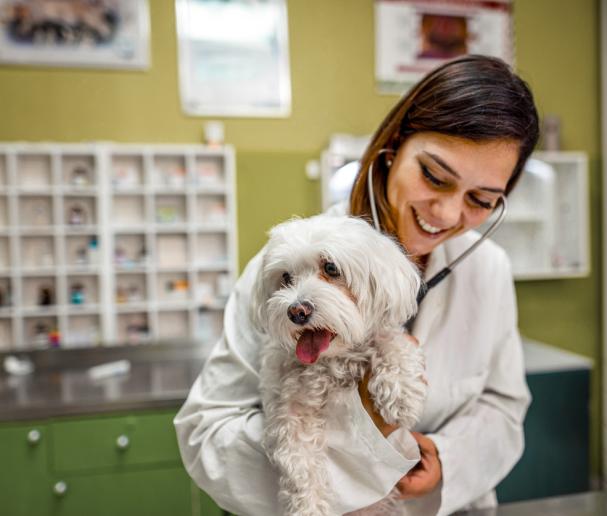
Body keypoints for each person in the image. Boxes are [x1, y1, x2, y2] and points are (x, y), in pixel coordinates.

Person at [174, 54, 540, 515]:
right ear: (393, 147)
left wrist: (447, 460)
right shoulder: (286, 268)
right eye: (433, 176)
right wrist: (344, 457)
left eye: (480, 199)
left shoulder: (489, 269)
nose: (447, 214)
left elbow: (503, 408)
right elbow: (207, 431)